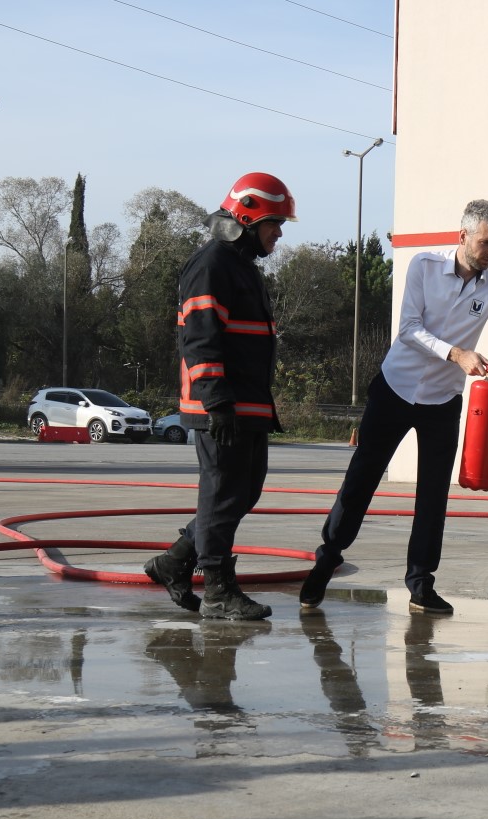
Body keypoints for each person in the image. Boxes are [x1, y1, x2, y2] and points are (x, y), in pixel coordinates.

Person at [299, 199, 488, 615]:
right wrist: (458, 354)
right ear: (462, 235)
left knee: (433, 496)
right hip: (395, 390)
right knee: (362, 480)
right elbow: (410, 329)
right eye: (485, 243)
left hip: (442, 402)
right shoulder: (424, 266)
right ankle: (327, 560)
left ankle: (420, 585)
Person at [144, 172, 295, 621]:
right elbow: (200, 339)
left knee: (242, 492)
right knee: (221, 495)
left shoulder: (239, 265)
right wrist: (217, 402)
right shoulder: (211, 265)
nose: (279, 233)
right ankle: (216, 590)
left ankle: (173, 564)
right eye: (274, 223)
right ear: (247, 218)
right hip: (222, 408)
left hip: (246, 405)